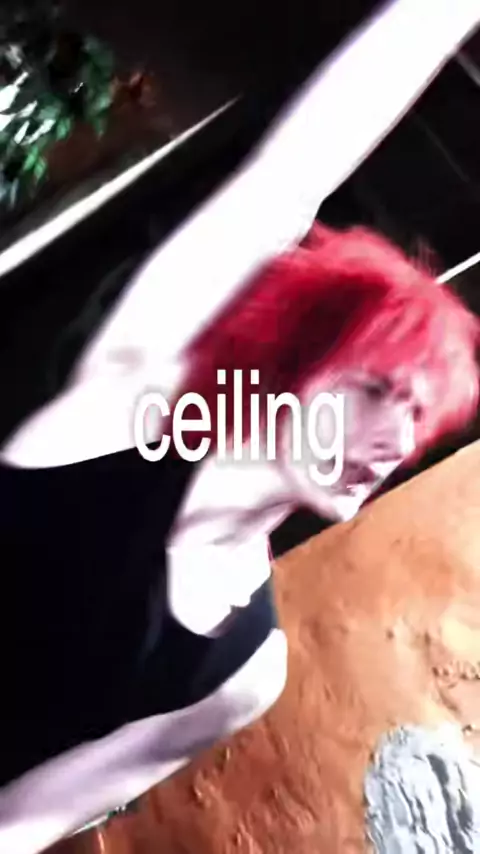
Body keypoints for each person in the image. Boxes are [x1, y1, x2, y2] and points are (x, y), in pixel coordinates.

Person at [0, 0, 479, 852]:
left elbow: (22, 821)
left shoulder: (243, 675)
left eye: (419, 419)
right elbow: (290, 177)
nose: (396, 440)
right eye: (379, 391)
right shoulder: (134, 398)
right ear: (303, 363)